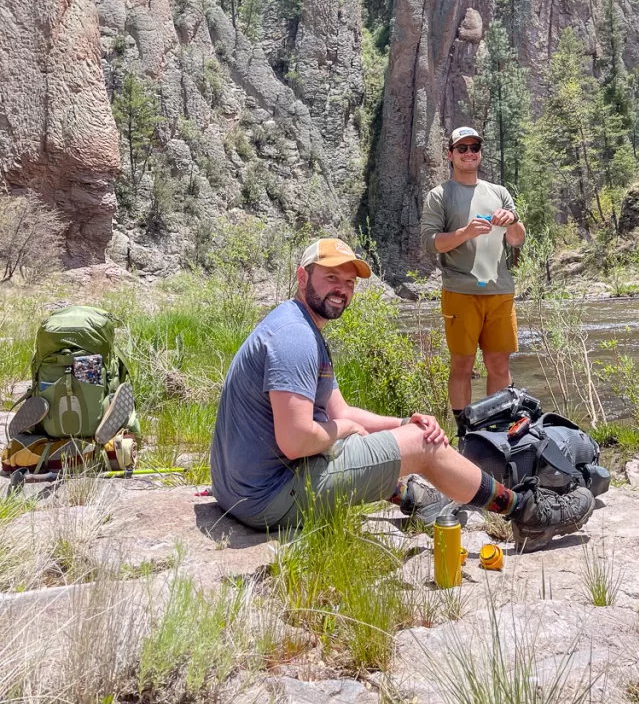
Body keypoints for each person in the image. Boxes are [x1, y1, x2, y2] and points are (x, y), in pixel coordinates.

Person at [210, 237, 594, 550]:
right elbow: (295, 441)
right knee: (418, 446)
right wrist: (355, 431)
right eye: (330, 278)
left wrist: (402, 424)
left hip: (242, 490)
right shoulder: (295, 338)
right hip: (265, 500)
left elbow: (341, 410)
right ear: (302, 277)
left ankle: (417, 501)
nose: (341, 290)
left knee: (393, 436)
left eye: (348, 283)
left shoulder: (295, 325)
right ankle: (526, 513)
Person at [420, 126, 524, 420]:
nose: (469, 153)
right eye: (462, 148)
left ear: (480, 152)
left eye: (474, 148)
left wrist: (512, 219)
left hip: (500, 292)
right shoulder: (439, 195)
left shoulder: (499, 193)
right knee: (462, 365)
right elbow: (430, 243)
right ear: (450, 154)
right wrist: (463, 233)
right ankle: (466, 434)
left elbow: (517, 239)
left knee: (500, 365)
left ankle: (499, 432)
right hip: (460, 292)